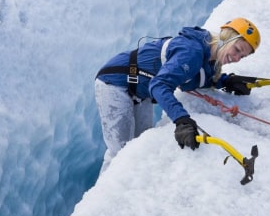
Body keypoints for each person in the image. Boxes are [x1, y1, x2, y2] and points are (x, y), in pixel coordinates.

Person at [93, 17, 261, 173]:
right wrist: (181, 120)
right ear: (226, 38)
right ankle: (103, 201)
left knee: (138, 149)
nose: (237, 58)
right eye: (237, 49)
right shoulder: (192, 52)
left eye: (242, 56)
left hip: (139, 92)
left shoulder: (209, 58)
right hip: (115, 83)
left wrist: (227, 81)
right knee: (120, 153)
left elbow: (196, 78)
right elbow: (159, 85)